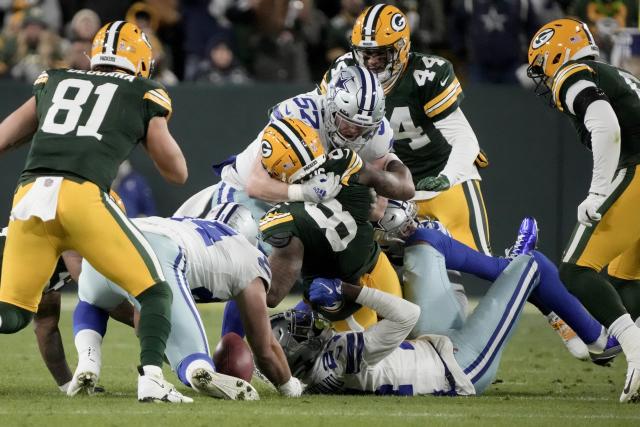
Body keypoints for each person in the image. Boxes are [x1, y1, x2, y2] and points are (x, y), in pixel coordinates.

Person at [0, 21, 189, 403]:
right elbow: (177, 172)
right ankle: (151, 377)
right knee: (154, 292)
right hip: (82, 196)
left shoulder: (53, 80)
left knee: (13, 315)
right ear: (140, 61)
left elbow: (3, 137)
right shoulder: (144, 90)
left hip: (29, 196)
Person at [271, 221, 622, 399]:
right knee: (536, 265)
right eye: (296, 331)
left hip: (431, 346)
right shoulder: (340, 358)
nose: (301, 321)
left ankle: (514, 276)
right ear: (299, 355)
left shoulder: (318, 367)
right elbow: (405, 314)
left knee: (425, 243)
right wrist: (348, 289)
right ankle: (598, 340)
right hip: (463, 365)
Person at [526, 17, 640, 402]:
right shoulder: (615, 73)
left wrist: (596, 192)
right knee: (626, 286)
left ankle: (637, 353)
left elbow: (606, 125)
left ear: (557, 51)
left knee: (576, 271)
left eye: (543, 65)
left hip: (638, 168)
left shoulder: (574, 72)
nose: (544, 76)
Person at [69, 214, 304, 400]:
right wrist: (289, 385)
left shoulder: (190, 225)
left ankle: (88, 363)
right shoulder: (251, 259)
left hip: (117, 237)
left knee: (93, 301)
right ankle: (198, 372)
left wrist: (159, 333)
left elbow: (142, 321)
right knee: (195, 360)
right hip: (161, 250)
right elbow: (264, 349)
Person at [320, 3, 491, 256]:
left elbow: (464, 138)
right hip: (393, 187)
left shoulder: (426, 74)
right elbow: (319, 118)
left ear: (401, 49)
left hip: (443, 178)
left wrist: (448, 177)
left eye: (381, 54)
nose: (372, 62)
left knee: (478, 260)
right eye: (366, 54)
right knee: (393, 267)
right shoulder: (344, 72)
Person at [204, 63, 413, 226]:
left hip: (304, 207)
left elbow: (376, 210)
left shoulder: (379, 134)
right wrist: (305, 192)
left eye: (362, 127)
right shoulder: (299, 114)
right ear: (331, 107)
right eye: (346, 121)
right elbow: (256, 184)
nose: (353, 131)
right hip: (244, 192)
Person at [258, 117, 411, 332]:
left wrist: (241, 268)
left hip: (341, 302)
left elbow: (273, 295)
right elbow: (406, 189)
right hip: (379, 272)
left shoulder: (284, 218)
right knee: (404, 340)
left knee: (363, 362)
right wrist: (392, 158)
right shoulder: (345, 162)